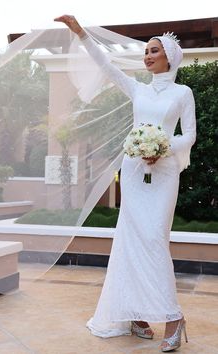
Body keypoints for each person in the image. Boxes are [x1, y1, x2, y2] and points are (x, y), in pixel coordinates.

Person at [54, 15, 196, 352]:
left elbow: (189, 135)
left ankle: (173, 318)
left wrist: (163, 147)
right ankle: (135, 314)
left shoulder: (183, 92)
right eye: (146, 51)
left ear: (169, 57)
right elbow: (106, 65)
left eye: (154, 51)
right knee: (131, 240)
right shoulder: (137, 88)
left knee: (153, 238)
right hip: (133, 171)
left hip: (163, 173)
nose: (147, 56)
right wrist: (80, 32)